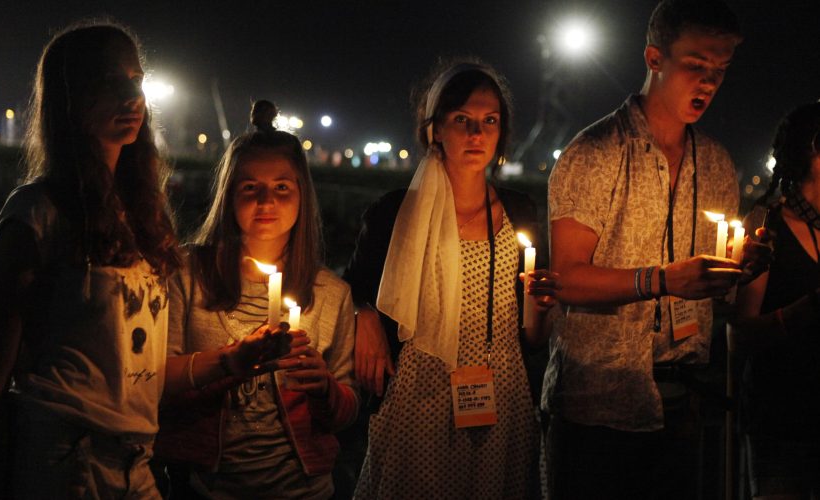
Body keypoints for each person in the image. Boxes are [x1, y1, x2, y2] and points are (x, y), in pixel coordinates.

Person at [0, 23, 285, 499]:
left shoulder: (140, 214)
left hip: (137, 465)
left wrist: (233, 359)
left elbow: (144, 371)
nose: (131, 95)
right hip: (65, 463)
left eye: (136, 80)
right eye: (109, 81)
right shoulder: (38, 212)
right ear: (71, 96)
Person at [542, 1, 769, 498]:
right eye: (695, 66)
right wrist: (662, 280)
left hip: (683, 404)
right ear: (654, 58)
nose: (708, 83)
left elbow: (717, 294)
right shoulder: (596, 152)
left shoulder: (714, 164)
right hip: (597, 407)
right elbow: (566, 280)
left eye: (720, 71)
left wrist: (739, 270)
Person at [344, 60, 558, 499]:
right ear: (435, 129)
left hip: (502, 394)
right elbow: (353, 287)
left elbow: (533, 336)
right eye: (462, 120)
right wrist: (363, 314)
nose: (477, 134)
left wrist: (543, 304)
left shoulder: (519, 213)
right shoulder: (394, 213)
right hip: (419, 396)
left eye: (489, 121)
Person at [156, 100, 359, 499]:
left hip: (305, 491)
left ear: (303, 195)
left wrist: (324, 387)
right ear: (228, 196)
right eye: (250, 187)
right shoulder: (186, 275)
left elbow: (347, 411)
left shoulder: (331, 295)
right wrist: (229, 363)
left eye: (282, 187)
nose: (266, 202)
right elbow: (154, 381)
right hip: (205, 488)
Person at [731, 103, 820, 499]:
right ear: (815, 150)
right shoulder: (767, 226)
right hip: (783, 423)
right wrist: (805, 311)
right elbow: (740, 334)